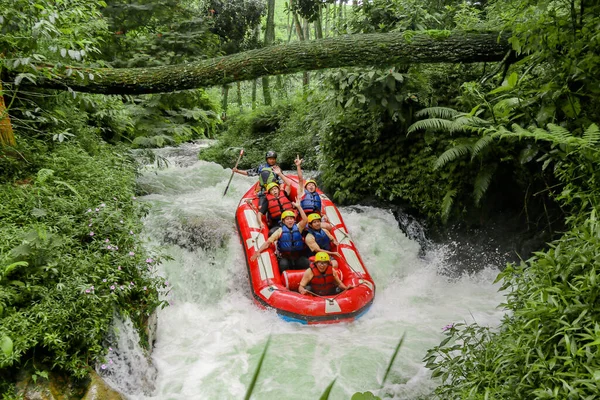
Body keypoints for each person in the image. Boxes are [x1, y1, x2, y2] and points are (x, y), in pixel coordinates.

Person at [251, 199, 309, 272]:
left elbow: (305, 220)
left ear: (294, 220)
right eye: (287, 219)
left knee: (306, 263)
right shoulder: (279, 231)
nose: (290, 221)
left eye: (291, 219)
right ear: (283, 222)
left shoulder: (298, 227)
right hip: (285, 257)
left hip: (297, 257)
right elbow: (268, 243)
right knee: (283, 265)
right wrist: (258, 251)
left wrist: (299, 207)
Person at [295, 156, 332, 229]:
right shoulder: (302, 192)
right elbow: (300, 179)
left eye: (313, 185)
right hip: (305, 219)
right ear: (306, 187)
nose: (311, 186)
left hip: (316, 219)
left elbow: (318, 209)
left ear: (315, 188)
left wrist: (322, 215)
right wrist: (298, 166)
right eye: (309, 185)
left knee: (328, 226)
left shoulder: (317, 195)